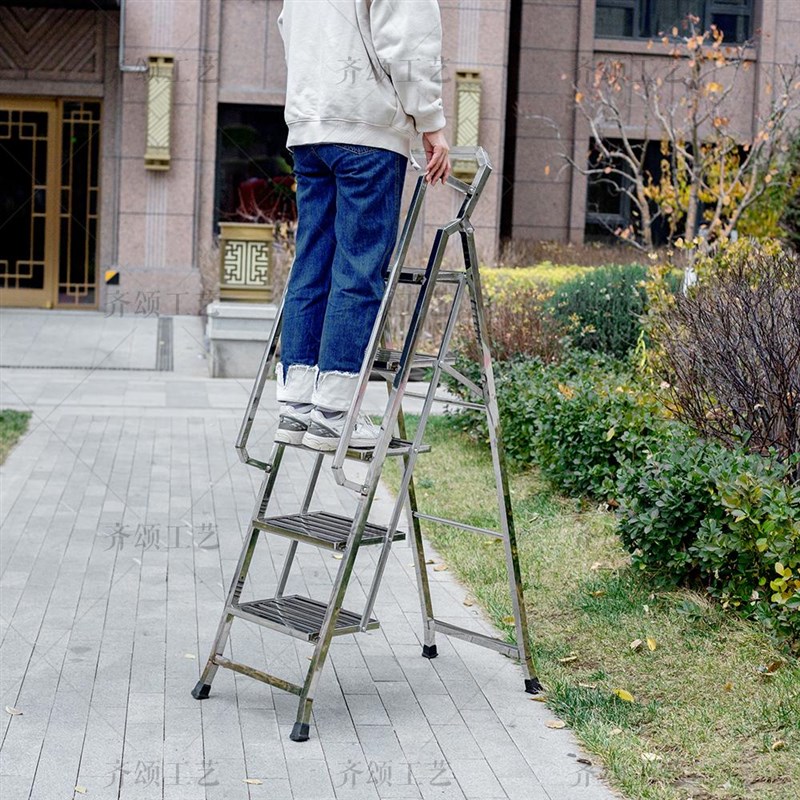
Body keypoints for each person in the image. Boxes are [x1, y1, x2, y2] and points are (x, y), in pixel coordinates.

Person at [274, 0, 451, 451]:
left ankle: (295, 407)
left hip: (310, 127)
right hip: (365, 130)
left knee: (311, 265)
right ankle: (334, 413)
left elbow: (287, 28)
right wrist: (431, 124)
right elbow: (409, 40)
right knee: (358, 271)